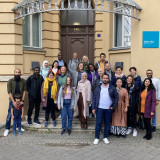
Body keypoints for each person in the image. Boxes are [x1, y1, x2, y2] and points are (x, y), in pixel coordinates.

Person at [92, 73, 118, 144]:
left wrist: (113, 106)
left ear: (108, 79)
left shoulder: (112, 88)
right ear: (102, 79)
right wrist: (93, 108)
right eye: (104, 78)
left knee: (107, 124)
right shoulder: (98, 88)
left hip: (108, 109)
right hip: (99, 108)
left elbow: (116, 98)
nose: (105, 79)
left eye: (106, 78)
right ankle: (97, 138)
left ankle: (105, 137)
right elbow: (94, 98)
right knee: (98, 123)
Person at [4, 68, 26, 137]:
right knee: (10, 114)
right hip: (13, 101)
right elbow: (9, 92)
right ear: (14, 73)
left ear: (20, 73)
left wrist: (22, 101)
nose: (17, 73)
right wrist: (13, 101)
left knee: (19, 115)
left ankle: (17, 127)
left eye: (19, 72)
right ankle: (7, 128)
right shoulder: (10, 81)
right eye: (16, 72)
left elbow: (24, 91)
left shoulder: (23, 81)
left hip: (20, 101)